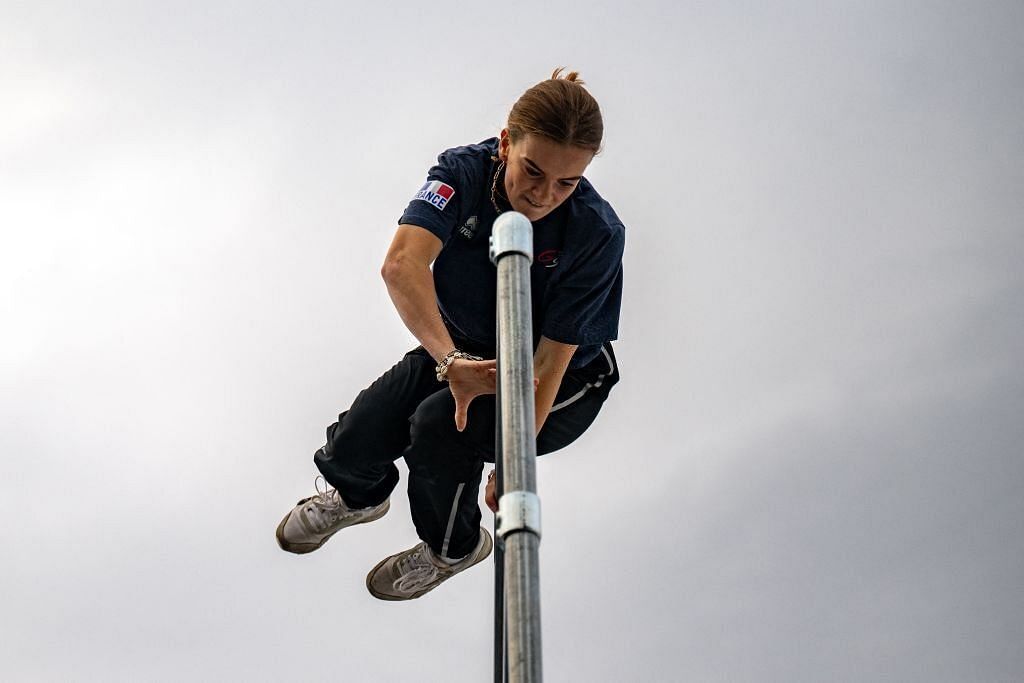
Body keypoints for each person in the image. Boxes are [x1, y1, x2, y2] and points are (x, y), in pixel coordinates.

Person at [276, 68, 624, 601]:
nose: (543, 194)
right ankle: (357, 496)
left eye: (566, 182)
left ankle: (452, 548)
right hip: (465, 352)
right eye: (532, 171)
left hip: (560, 382)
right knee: (358, 439)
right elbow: (402, 265)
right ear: (506, 143)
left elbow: (551, 363)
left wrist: (515, 463)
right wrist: (450, 362)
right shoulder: (461, 172)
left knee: (439, 425)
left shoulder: (595, 233)